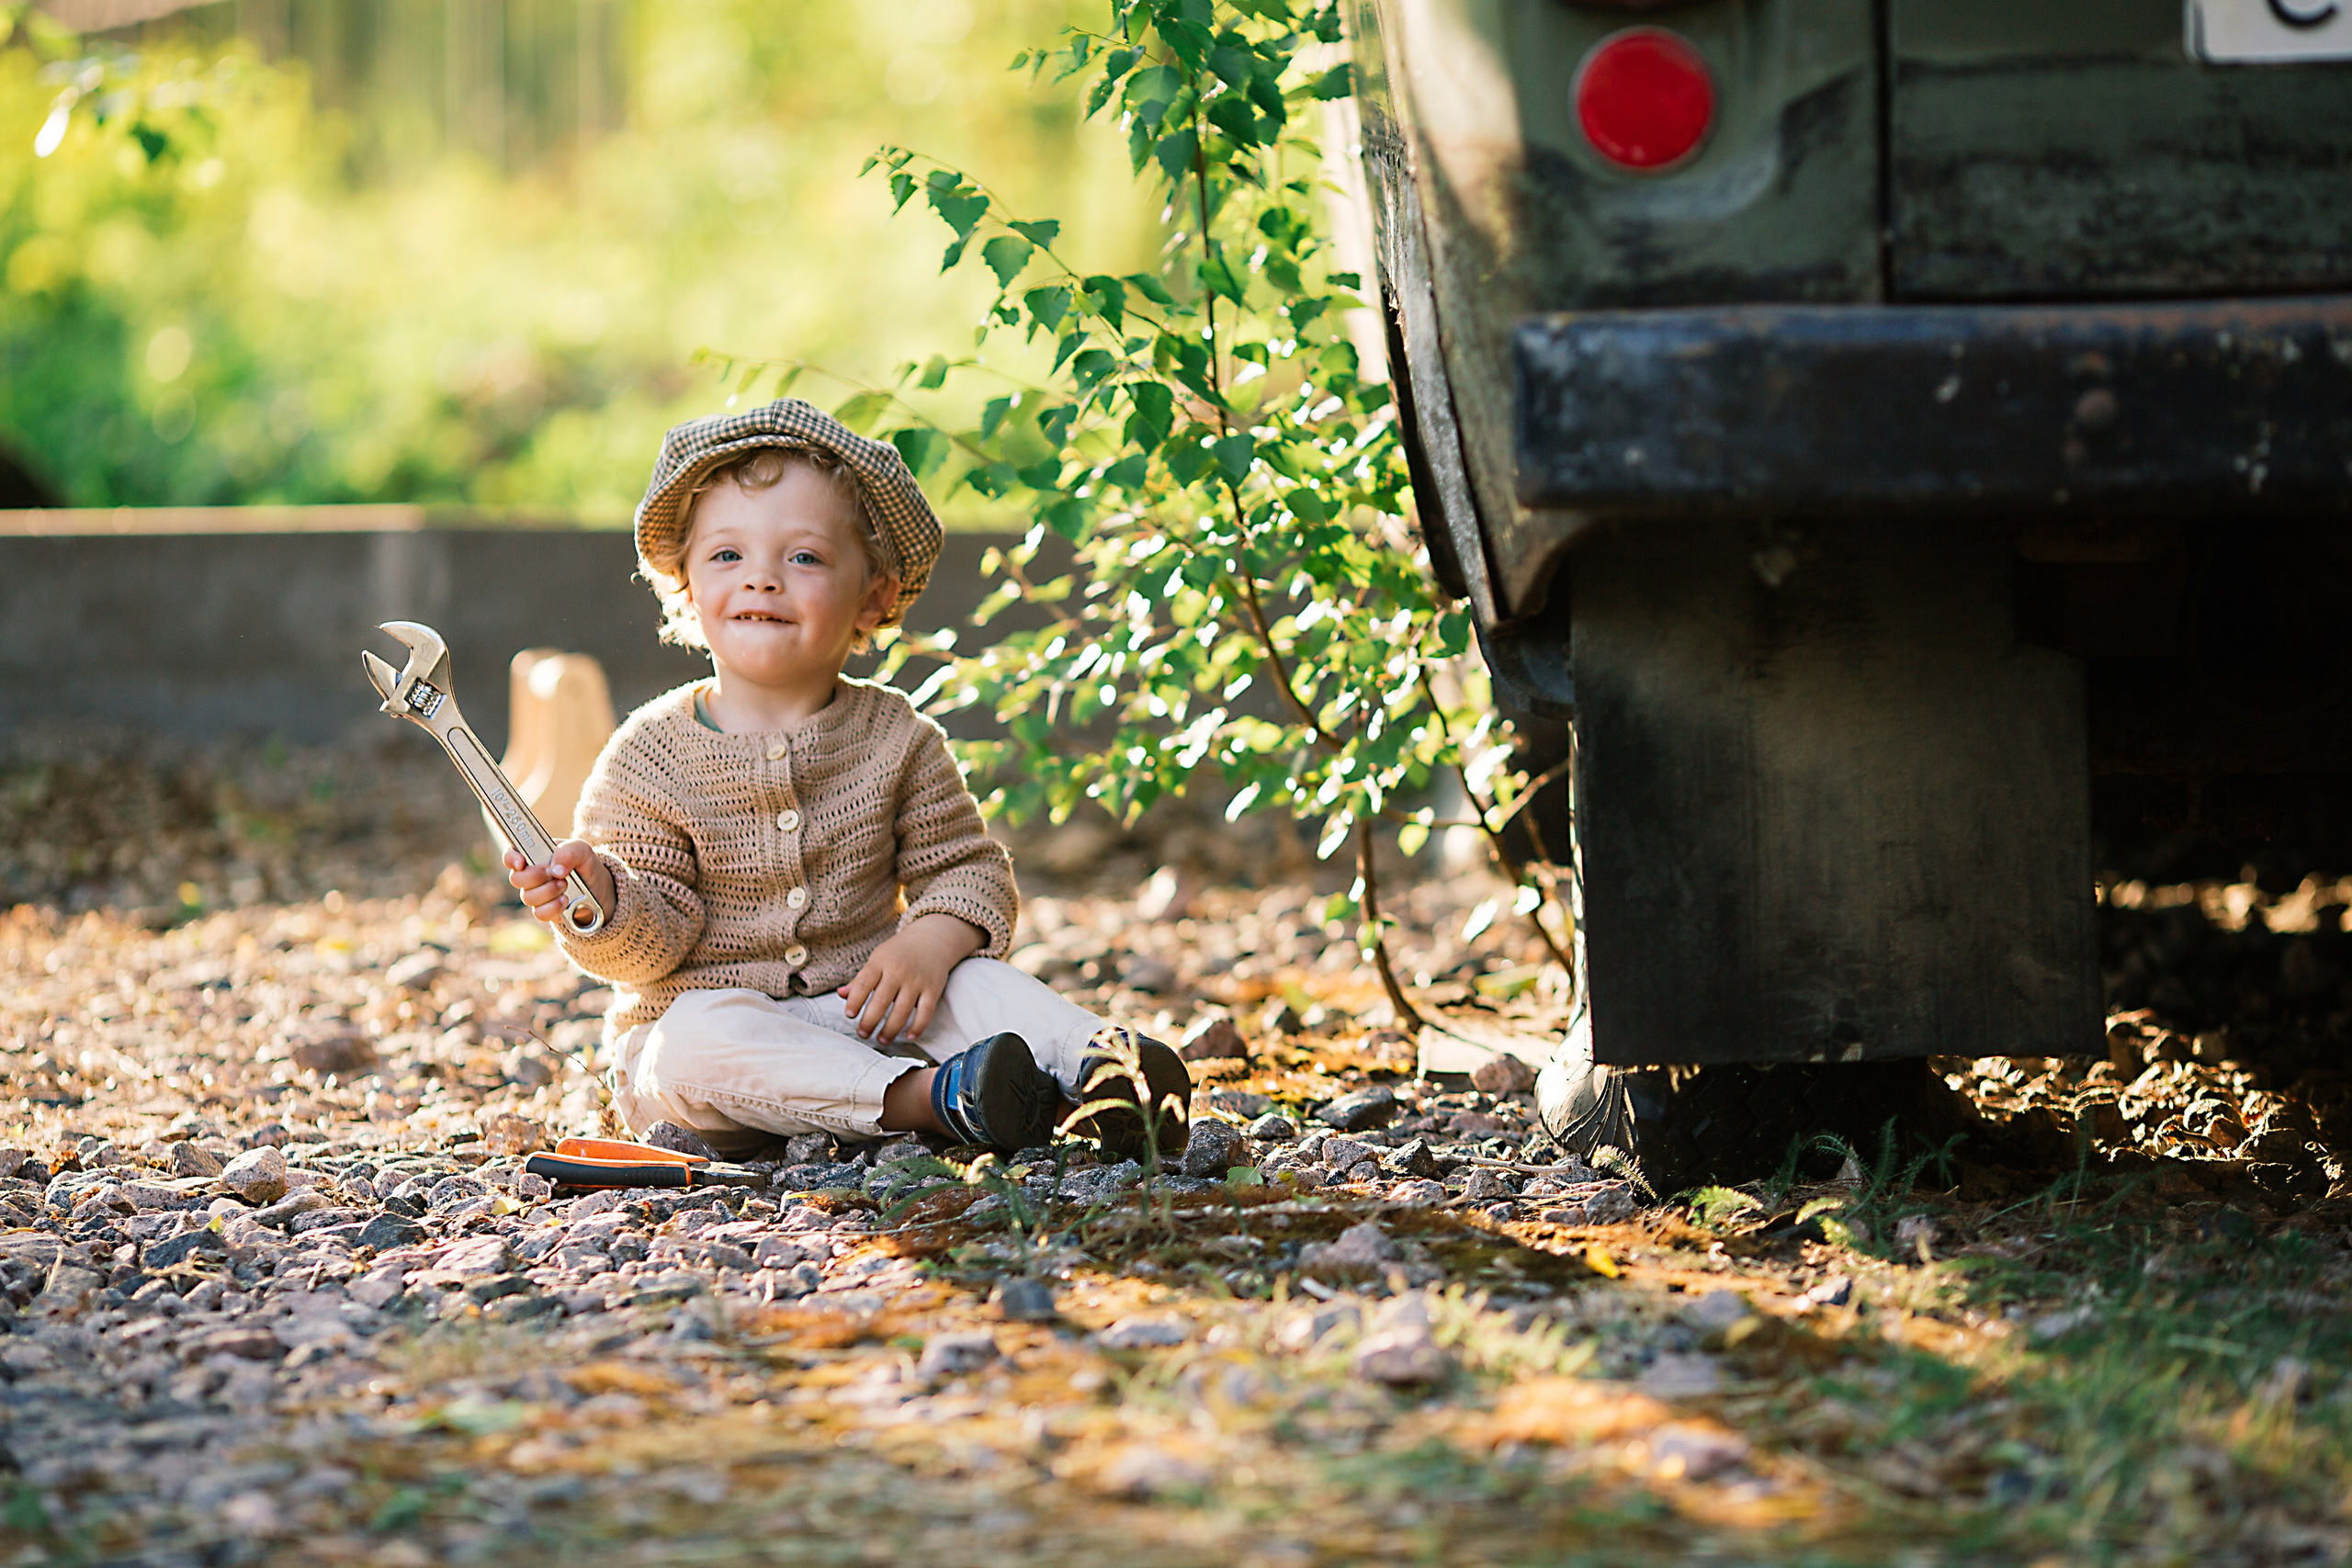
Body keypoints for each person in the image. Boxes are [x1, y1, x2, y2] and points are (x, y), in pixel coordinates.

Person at [503, 398, 1189, 1157]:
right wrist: (599, 899)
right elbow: (651, 942)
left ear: (875, 595)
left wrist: (930, 941)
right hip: (721, 1047)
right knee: (688, 1043)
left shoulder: (897, 737)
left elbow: (968, 871)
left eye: (803, 557)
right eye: (728, 556)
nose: (762, 579)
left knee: (973, 984)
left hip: (870, 1012)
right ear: (687, 586)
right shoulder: (650, 755)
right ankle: (933, 1099)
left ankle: (1105, 1070)